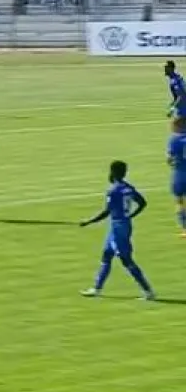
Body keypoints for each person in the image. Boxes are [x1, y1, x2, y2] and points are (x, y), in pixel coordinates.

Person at [79, 160, 155, 300]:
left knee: (126, 260)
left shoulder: (113, 190)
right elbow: (143, 203)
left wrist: (89, 221)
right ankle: (97, 289)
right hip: (123, 224)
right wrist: (131, 215)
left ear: (112, 172)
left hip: (118, 227)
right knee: (107, 254)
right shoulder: (129, 187)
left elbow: (106, 212)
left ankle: (148, 291)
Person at [167, 117, 186, 237]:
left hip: (179, 175)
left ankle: (185, 228)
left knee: (179, 201)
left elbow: (169, 159)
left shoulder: (174, 140)